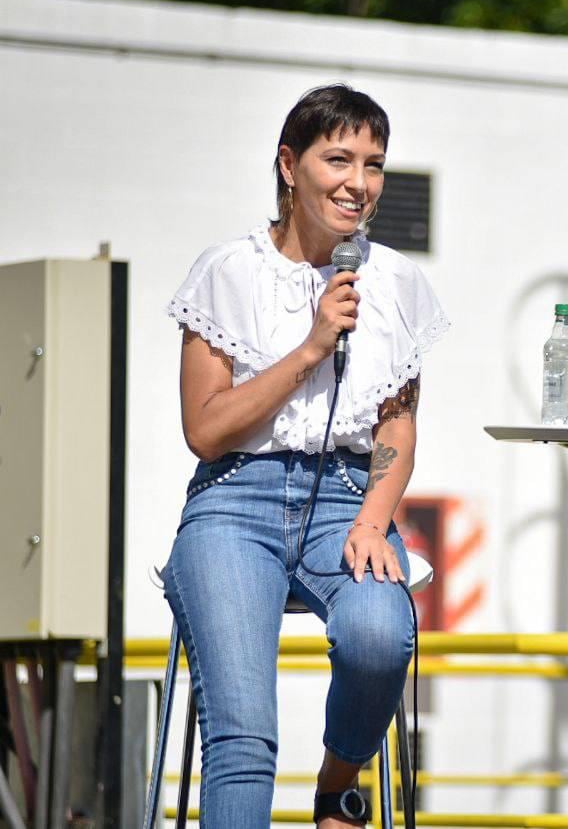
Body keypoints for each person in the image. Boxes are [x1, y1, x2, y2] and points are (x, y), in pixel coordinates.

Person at [162, 83, 448, 828]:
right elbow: (205, 427)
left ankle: (337, 783)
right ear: (289, 165)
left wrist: (371, 520)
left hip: (349, 496)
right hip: (234, 500)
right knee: (245, 732)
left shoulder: (396, 282)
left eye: (375, 164)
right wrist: (313, 346)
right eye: (339, 158)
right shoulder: (228, 271)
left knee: (383, 633)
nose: (360, 182)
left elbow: (398, 424)